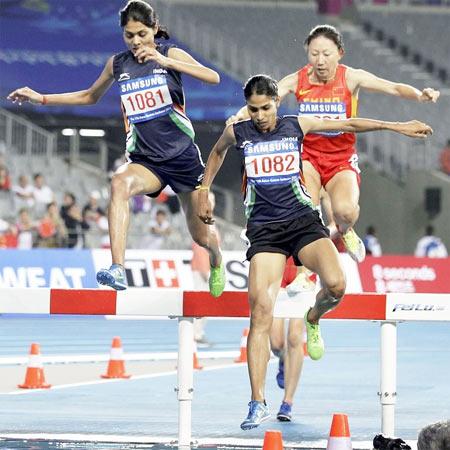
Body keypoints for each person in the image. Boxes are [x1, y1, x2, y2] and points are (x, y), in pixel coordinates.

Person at [198, 74, 432, 430]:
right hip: (265, 232)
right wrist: (204, 189)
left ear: (277, 101)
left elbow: (349, 122)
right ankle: (257, 400)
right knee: (260, 312)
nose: (259, 115)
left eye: (265, 107)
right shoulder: (238, 131)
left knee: (337, 285)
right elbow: (216, 152)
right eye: (253, 108)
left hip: (303, 224)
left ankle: (312, 318)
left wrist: (396, 126)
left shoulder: (297, 124)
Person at [7, 0, 225, 296]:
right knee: (119, 182)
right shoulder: (118, 64)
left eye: (141, 34)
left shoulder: (170, 53)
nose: (135, 41)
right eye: (129, 35)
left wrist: (167, 63)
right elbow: (88, 96)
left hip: (183, 159)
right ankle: (118, 268)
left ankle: (216, 259)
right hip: (146, 161)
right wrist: (41, 98)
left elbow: (214, 78)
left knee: (201, 237)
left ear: (154, 29)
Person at [227, 24, 440, 264]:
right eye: (314, 54)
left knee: (345, 212)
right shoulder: (297, 80)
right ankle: (304, 273)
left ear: (340, 53)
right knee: (306, 209)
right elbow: (264, 101)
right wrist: (238, 116)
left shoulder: (351, 78)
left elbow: (391, 86)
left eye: (326, 54)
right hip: (307, 156)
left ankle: (346, 230)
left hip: (341, 159)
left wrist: (419, 95)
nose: (319, 61)